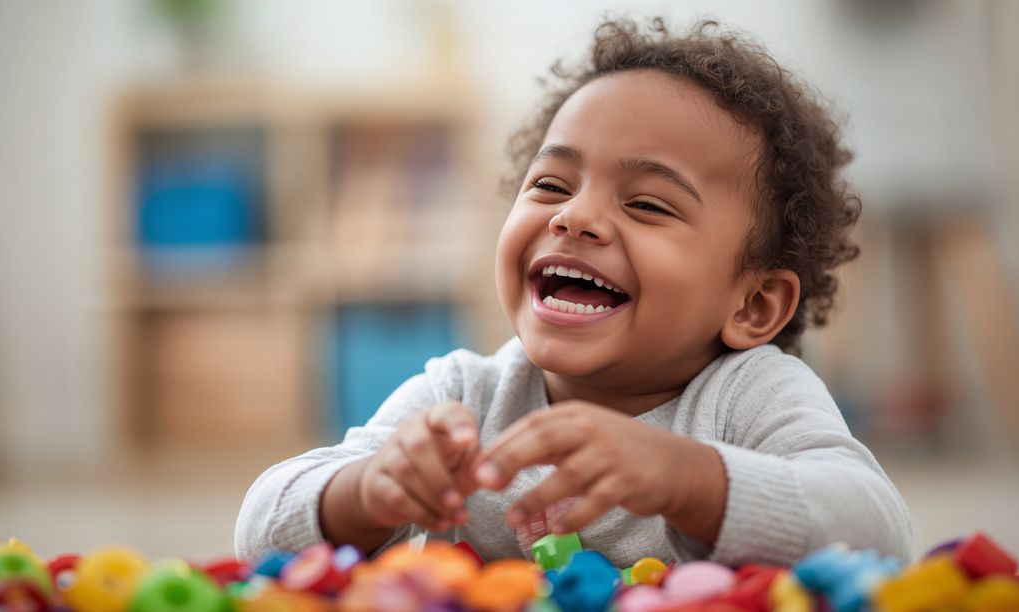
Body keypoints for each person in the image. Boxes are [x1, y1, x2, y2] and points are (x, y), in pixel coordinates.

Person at [235, 17, 914, 569]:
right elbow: (259, 530)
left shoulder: (750, 397)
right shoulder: (464, 400)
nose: (573, 215)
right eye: (551, 185)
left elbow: (878, 531)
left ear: (753, 304)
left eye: (647, 204)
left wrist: (690, 478)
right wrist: (364, 492)